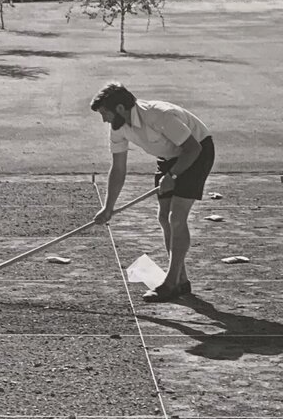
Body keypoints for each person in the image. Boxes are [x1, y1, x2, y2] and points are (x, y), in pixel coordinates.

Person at [90, 82, 215, 302]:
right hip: (170, 158)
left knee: (176, 217)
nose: (104, 120)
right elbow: (118, 169)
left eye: (105, 113)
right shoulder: (118, 127)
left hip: (197, 153)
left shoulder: (159, 115)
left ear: (120, 108)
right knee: (163, 217)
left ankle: (170, 283)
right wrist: (108, 207)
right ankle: (181, 281)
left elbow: (193, 149)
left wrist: (174, 176)